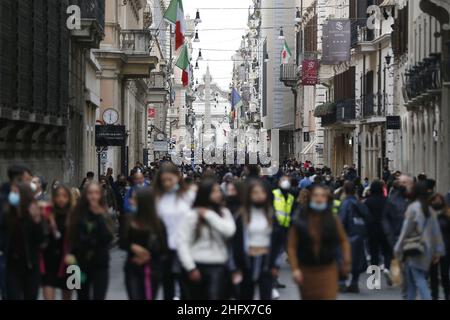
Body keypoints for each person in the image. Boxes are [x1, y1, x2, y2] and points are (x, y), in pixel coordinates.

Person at [287, 185, 351, 300]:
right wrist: (295, 268)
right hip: (306, 270)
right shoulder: (300, 218)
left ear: (326, 199)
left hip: (328, 270)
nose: (319, 199)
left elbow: (344, 241)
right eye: (316, 195)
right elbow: (291, 246)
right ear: (310, 197)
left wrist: (346, 263)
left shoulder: (332, 219)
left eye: (322, 196)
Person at [177, 178, 236, 300]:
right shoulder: (192, 215)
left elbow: (229, 231)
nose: (218, 194)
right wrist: (190, 267)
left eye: (219, 191)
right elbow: (182, 242)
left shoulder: (224, 213)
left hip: (218, 267)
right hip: (196, 265)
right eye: (213, 191)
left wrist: (209, 215)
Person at [394, 181, 445, 300]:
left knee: (418, 279)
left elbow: (406, 230)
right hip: (427, 249)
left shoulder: (413, 208)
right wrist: (438, 251)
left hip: (413, 248)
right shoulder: (430, 210)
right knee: (413, 279)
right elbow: (436, 232)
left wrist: (398, 247)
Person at [232, 179, 278, 300]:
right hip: (247, 261)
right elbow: (236, 242)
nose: (259, 196)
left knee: (266, 295)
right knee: (245, 295)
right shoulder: (241, 215)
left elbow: (277, 239)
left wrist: (274, 264)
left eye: (262, 192)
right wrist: (236, 267)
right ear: (249, 195)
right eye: (255, 192)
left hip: (265, 261)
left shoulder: (271, 214)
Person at [154, 163, 195, 300]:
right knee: (168, 287)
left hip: (187, 247)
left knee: (187, 288)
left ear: (177, 178)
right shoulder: (158, 198)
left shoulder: (188, 196)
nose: (167, 183)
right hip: (165, 249)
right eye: (164, 180)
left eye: (170, 179)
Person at [68, 182, 114, 300]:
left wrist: (99, 215)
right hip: (79, 263)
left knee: (99, 295)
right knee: (81, 296)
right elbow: (73, 238)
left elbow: (107, 239)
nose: (93, 196)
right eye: (90, 193)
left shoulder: (105, 214)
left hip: (100, 263)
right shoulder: (77, 214)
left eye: (96, 193)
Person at [120, 188, 168, 300]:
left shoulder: (157, 222)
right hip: (132, 267)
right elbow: (122, 242)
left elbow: (163, 246)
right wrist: (133, 247)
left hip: (152, 268)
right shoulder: (127, 220)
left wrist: (147, 255)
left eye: (134, 199)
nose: (131, 201)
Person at [3, 183, 45, 300]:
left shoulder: (33, 215)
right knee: (12, 295)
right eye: (12, 193)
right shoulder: (7, 215)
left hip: (30, 265)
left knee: (30, 296)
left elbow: (41, 240)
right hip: (12, 266)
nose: (12, 195)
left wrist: (37, 220)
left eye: (15, 193)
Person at [0, 165, 33, 299]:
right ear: (18, 180)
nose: (29, 183)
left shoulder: (29, 199)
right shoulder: (4, 199)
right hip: (6, 253)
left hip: (25, 255)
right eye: (27, 179)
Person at [41, 185, 73, 300]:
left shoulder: (73, 214)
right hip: (49, 259)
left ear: (69, 198)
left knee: (68, 295)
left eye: (64, 196)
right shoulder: (47, 213)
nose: (61, 199)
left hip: (70, 261)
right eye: (58, 196)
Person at [338, 181, 369, 293]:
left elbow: (342, 219)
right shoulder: (359, 203)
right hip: (359, 235)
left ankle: (341, 283)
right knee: (357, 260)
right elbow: (367, 216)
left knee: (342, 259)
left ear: (345, 191)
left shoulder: (345, 203)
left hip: (347, 235)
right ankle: (354, 283)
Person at [364, 180, 393, 285]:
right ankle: (387, 268)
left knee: (374, 254)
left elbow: (365, 215)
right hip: (385, 229)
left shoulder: (368, 201)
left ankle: (375, 278)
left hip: (372, 230)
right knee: (387, 251)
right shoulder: (386, 200)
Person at [271, 176, 295, 291]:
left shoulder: (290, 197)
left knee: (279, 255)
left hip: (285, 229)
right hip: (274, 228)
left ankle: (274, 279)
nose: (285, 182)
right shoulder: (274, 194)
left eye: (287, 180)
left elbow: (292, 213)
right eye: (283, 180)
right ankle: (270, 279)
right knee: (273, 254)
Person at [382, 175, 415, 248]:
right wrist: (392, 240)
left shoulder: (418, 200)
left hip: (415, 244)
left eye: (405, 183)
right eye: (402, 183)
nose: (403, 185)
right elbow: (386, 222)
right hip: (397, 240)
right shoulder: (392, 201)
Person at [428, 193, 450, 300]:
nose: (436, 202)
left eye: (438, 200)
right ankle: (434, 295)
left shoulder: (447, 215)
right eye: (434, 200)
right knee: (433, 274)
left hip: (445, 248)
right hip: (432, 248)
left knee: (445, 274)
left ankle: (447, 294)